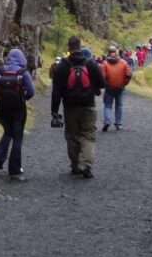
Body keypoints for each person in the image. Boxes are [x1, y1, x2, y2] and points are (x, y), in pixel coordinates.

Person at [51, 36, 106, 178]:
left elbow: (56, 91)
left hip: (69, 107)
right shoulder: (90, 63)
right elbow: (102, 83)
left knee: (72, 136)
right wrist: (92, 88)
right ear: (80, 46)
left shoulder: (63, 65)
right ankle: (85, 165)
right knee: (87, 135)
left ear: (68, 48)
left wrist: (54, 111)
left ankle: (75, 165)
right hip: (88, 105)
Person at [0, 48, 35, 181]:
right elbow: (31, 91)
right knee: (17, 138)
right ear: (21, 58)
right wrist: (22, 97)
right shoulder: (23, 72)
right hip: (19, 110)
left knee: (8, 132)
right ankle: (14, 170)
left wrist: (1, 97)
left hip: (2, 109)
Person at [100, 44, 132, 131]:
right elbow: (128, 74)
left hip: (109, 88)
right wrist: (124, 83)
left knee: (107, 105)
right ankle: (118, 124)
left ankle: (107, 121)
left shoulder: (104, 63)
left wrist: (105, 84)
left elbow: (102, 76)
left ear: (108, 53)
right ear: (116, 52)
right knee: (119, 106)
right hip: (120, 87)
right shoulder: (123, 62)